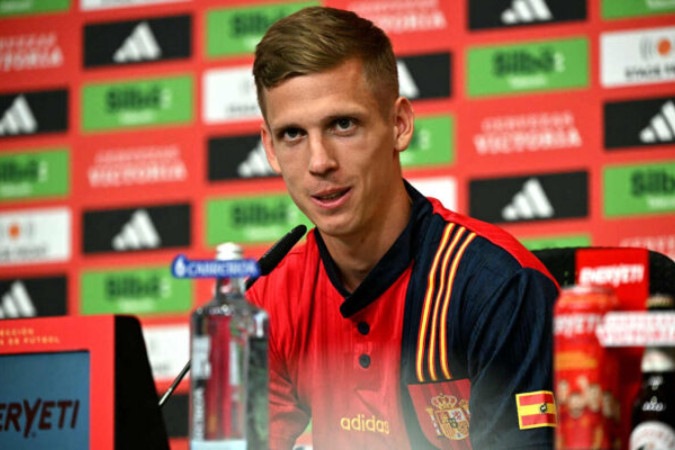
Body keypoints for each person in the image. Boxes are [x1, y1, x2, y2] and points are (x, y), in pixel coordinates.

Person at [247, 6, 559, 450]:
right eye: (293, 134)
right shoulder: (269, 300)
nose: (319, 162)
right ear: (270, 149)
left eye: (343, 124)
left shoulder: (497, 288)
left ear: (399, 125)